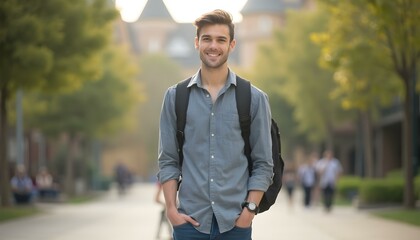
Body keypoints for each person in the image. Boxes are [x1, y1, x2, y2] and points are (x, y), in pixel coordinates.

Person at [157, 9, 273, 240]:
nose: (213, 46)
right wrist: (172, 210)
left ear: (232, 45)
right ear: (196, 42)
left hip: (235, 225)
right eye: (207, 39)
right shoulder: (175, 97)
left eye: (221, 39)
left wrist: (248, 212)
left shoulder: (254, 98)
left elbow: (263, 163)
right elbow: (168, 160)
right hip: (189, 224)